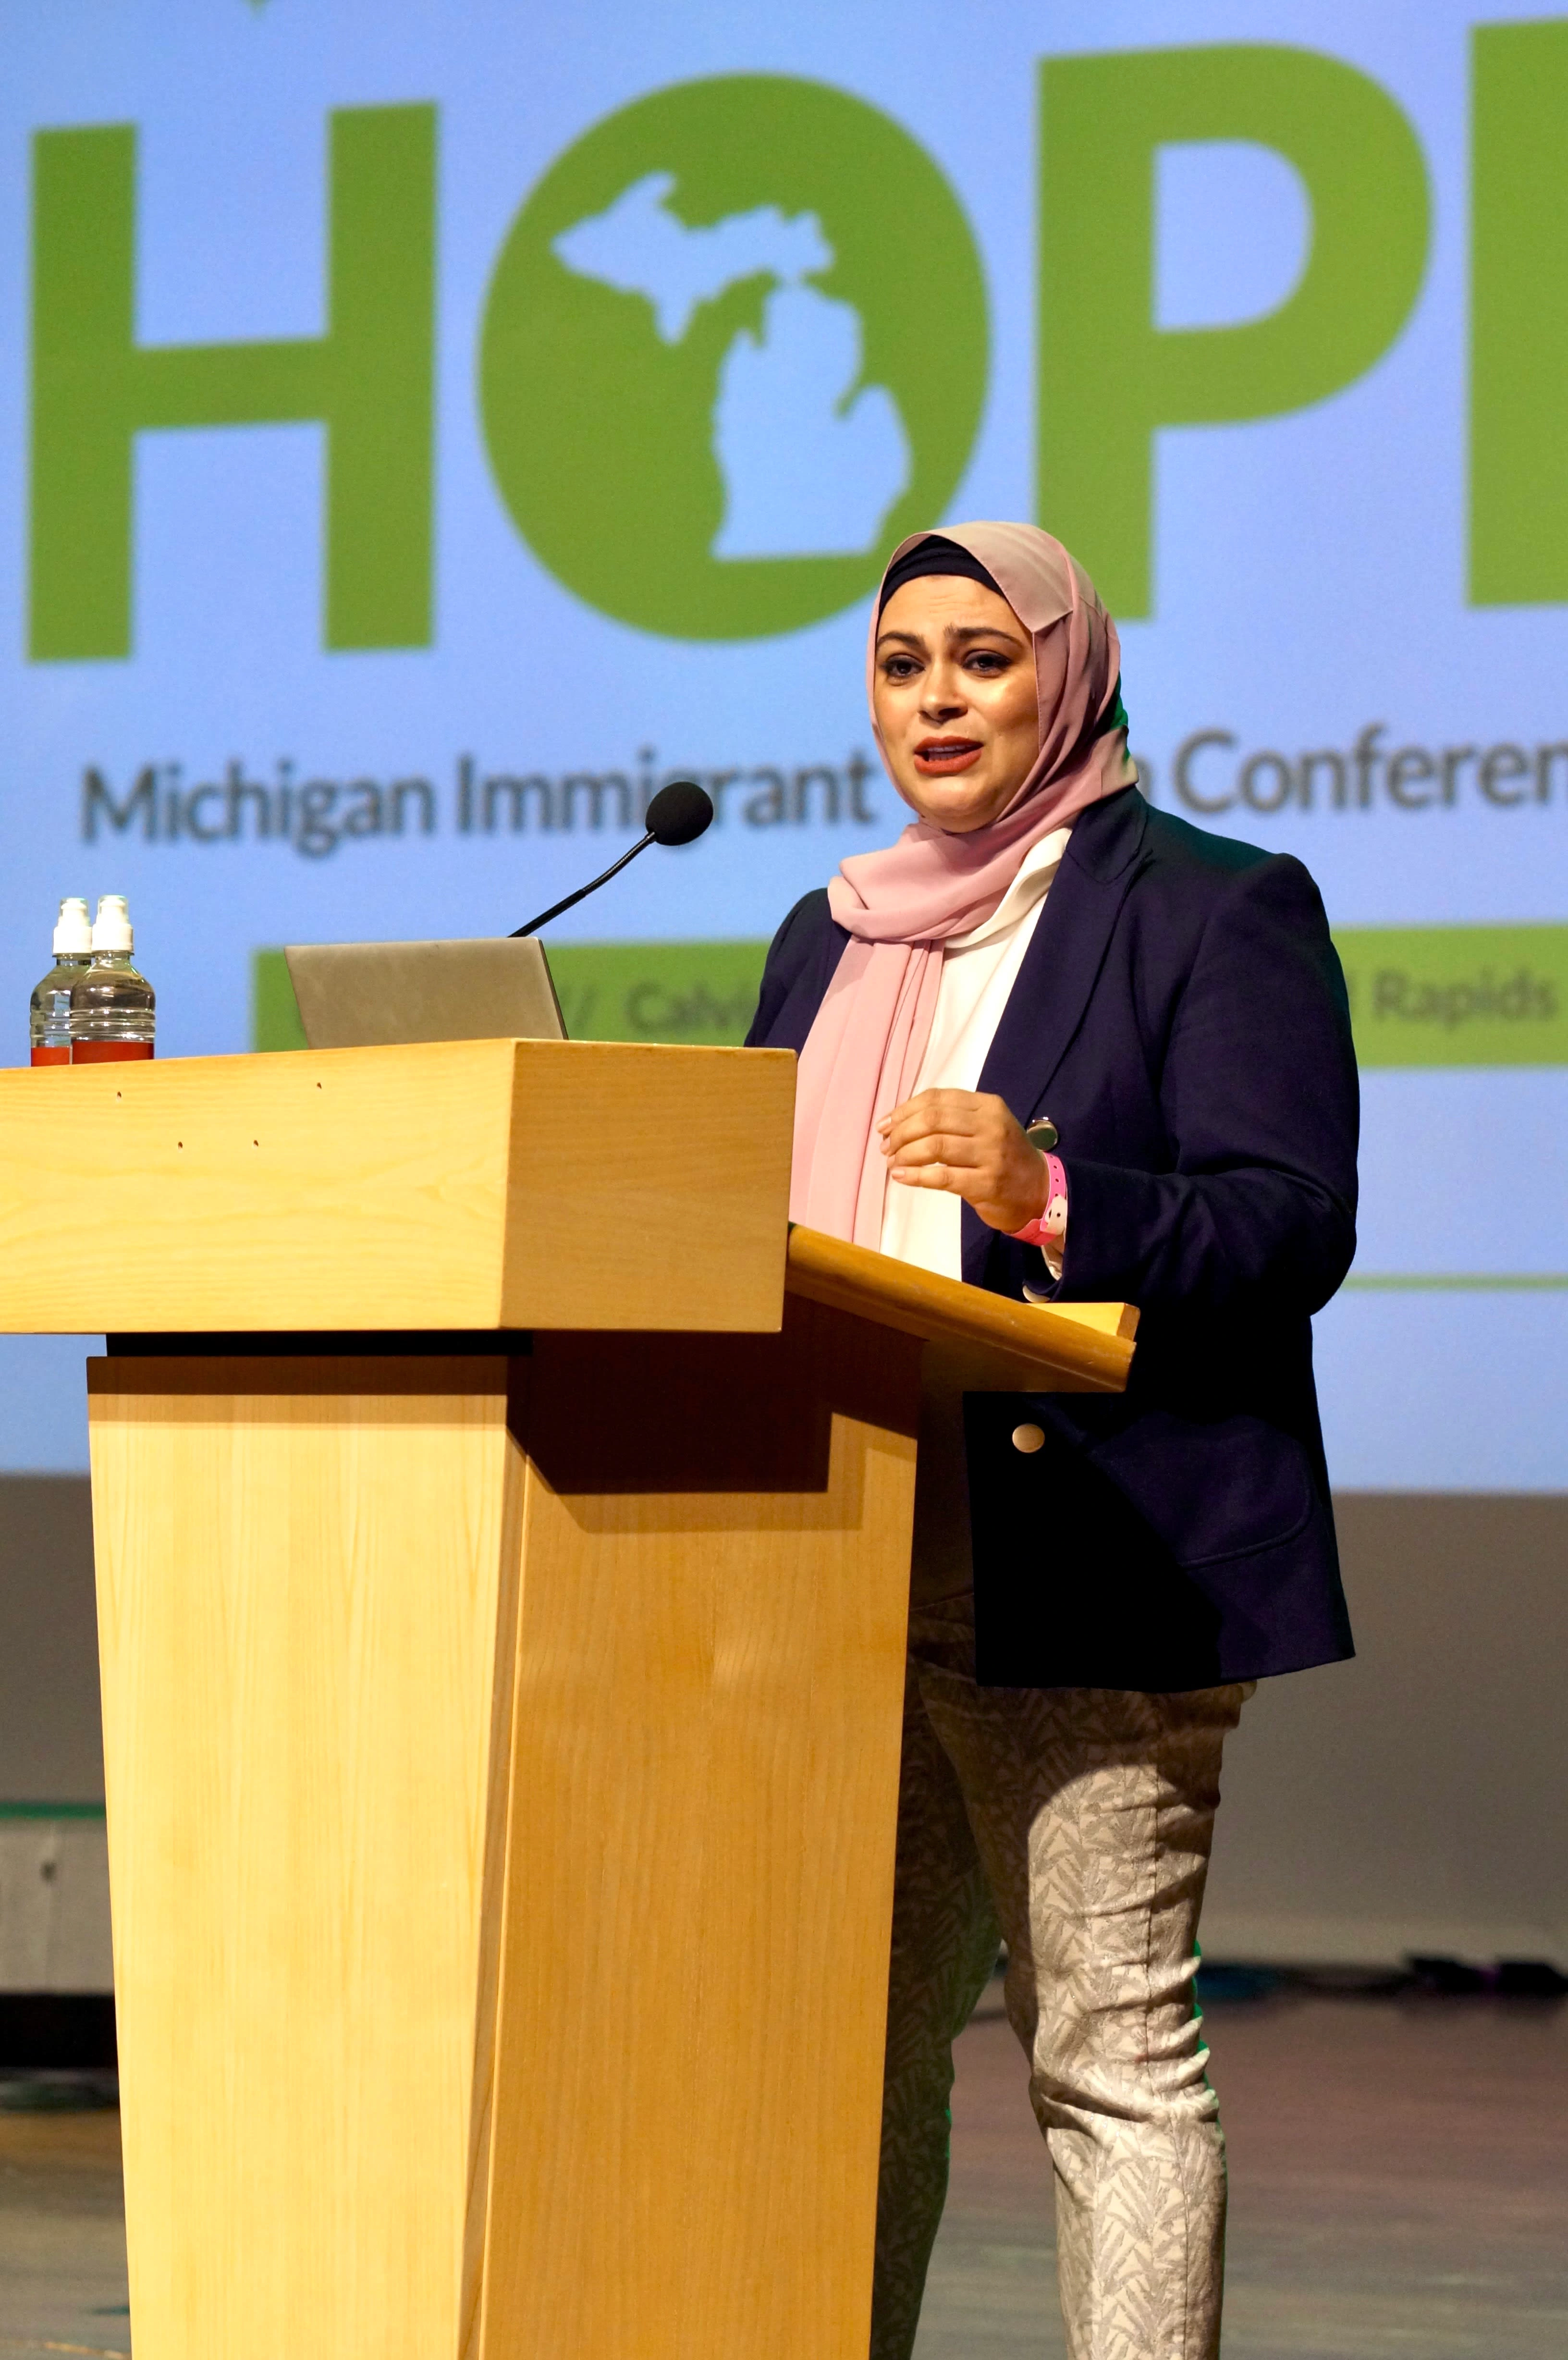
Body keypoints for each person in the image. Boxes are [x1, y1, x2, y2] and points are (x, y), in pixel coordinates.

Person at [745, 523, 1359, 2360]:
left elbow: (1289, 1225)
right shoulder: (829, 931)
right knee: (853, 2039)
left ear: (1069, 674)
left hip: (1094, 1540)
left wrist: (1054, 1191)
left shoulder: (1210, 902)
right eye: (901, 663)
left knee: (1103, 2053)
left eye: (983, 658)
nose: (937, 698)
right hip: (847, 1548)